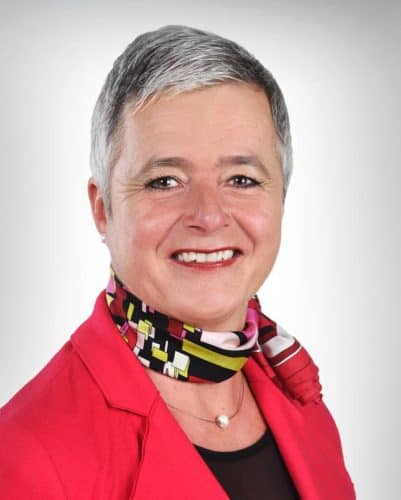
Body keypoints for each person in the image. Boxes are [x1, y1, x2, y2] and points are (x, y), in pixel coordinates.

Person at [0, 25, 355, 499]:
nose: (208, 216)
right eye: (164, 181)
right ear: (102, 209)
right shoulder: (24, 454)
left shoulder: (301, 399)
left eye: (242, 179)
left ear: (280, 200)